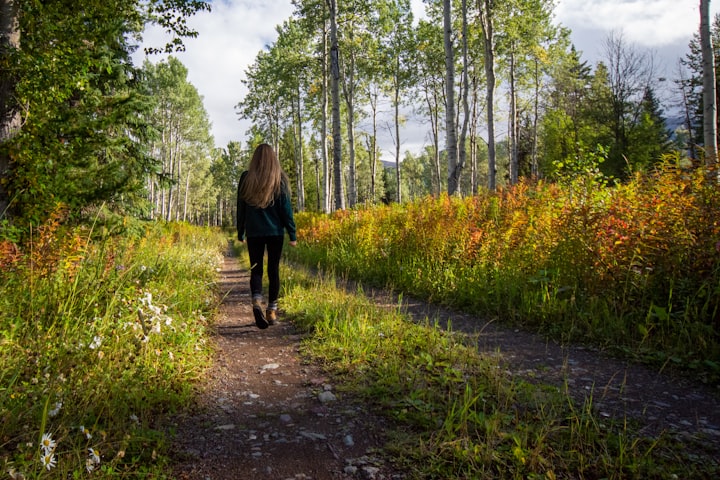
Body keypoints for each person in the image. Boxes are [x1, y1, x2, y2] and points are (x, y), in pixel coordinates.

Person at [236, 143, 297, 329]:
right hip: (275, 233)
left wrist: (241, 231)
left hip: (254, 232)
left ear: (255, 158)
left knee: (256, 269)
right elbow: (286, 210)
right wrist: (292, 233)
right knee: (273, 269)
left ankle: (256, 301)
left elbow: (241, 208)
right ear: (273, 158)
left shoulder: (246, 178)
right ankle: (271, 310)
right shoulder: (279, 179)